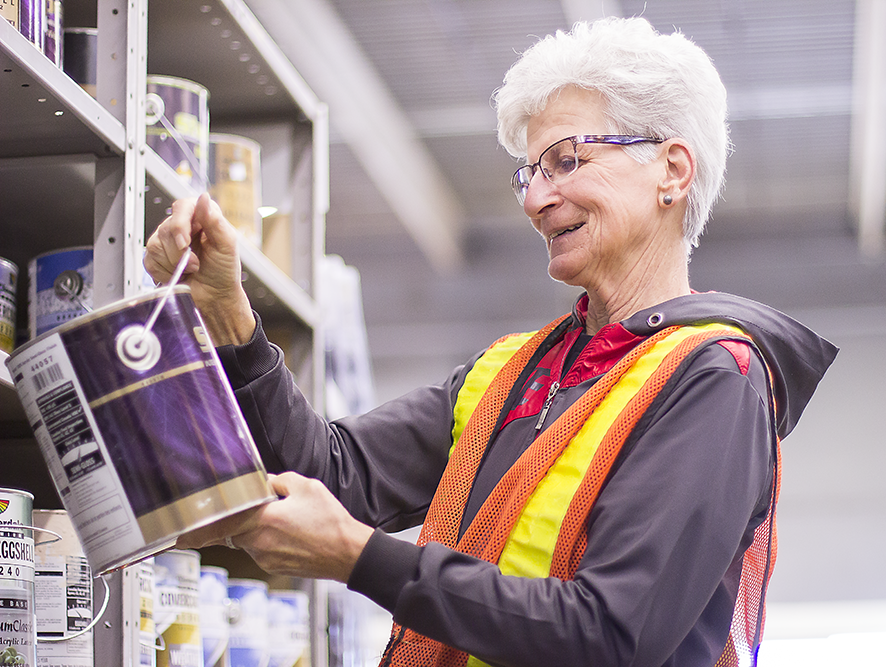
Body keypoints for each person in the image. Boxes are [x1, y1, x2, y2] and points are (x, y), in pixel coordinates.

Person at [147, 17, 837, 667]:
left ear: (673, 171)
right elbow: (327, 472)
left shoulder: (714, 379)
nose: (536, 199)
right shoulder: (508, 373)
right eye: (530, 173)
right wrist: (229, 316)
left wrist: (361, 557)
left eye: (567, 161)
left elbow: (610, 632)